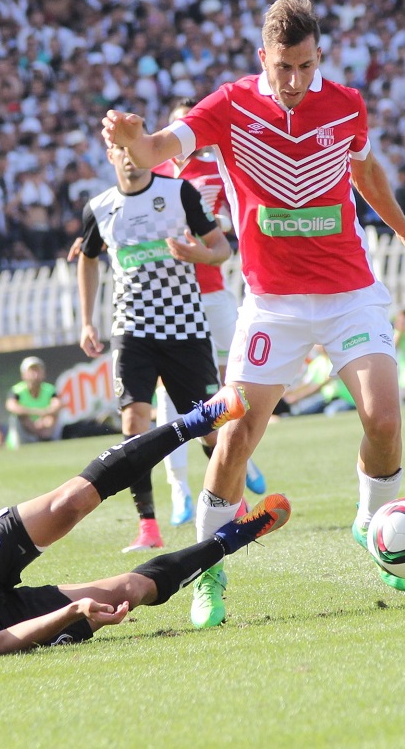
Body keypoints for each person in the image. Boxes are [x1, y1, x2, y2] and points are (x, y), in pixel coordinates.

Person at [101, 0, 405, 627]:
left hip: (350, 294)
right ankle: (209, 569)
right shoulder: (229, 104)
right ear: (263, 56)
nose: (294, 82)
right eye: (284, 67)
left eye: (307, 66)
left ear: (320, 57)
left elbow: (365, 171)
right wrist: (134, 142)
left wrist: (403, 232)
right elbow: (158, 149)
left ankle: (374, 526)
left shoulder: (344, 103)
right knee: (235, 438)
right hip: (273, 305)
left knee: (384, 419)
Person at [0, 386, 291, 667]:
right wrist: (70, 615)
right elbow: (2, 642)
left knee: (69, 503)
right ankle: (233, 537)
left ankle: (195, 420)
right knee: (129, 591)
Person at [78, 142, 232, 553]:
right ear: (110, 156)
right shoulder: (100, 207)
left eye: (135, 148)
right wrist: (88, 320)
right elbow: (88, 258)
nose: (128, 157)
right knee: (134, 425)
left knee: (208, 428)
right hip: (133, 329)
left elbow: (222, 248)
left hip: (185, 326)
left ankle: (228, 500)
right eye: (119, 150)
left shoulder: (179, 192)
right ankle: (148, 526)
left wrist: (199, 253)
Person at [151, 98, 267, 526]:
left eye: (190, 128)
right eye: (176, 128)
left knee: (235, 379)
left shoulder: (213, 172)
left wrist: (209, 236)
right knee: (168, 391)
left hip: (213, 290)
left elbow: (234, 229)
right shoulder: (154, 175)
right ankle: (178, 488)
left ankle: (239, 454)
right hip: (169, 297)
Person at [5, 356, 64, 448]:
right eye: (31, 371)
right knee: (20, 417)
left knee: (54, 416)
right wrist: (36, 413)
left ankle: (49, 441)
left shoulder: (50, 390)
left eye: (38, 370)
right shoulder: (17, 391)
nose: (35, 374)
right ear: (23, 374)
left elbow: (57, 405)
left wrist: (44, 417)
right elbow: (11, 406)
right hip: (26, 429)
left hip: (45, 425)